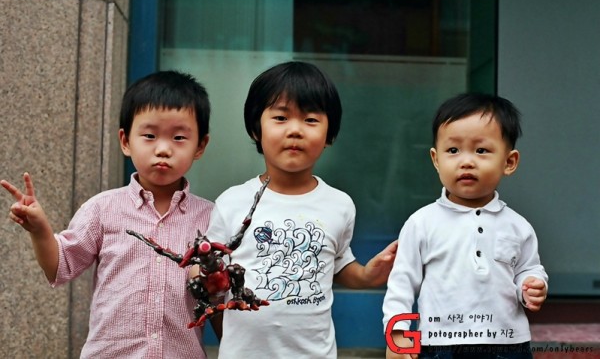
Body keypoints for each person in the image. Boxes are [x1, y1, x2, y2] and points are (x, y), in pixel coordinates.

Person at [1, 71, 214, 358]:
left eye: (178, 137)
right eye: (149, 136)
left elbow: (221, 295)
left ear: (200, 146)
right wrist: (39, 230)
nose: (163, 149)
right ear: (125, 141)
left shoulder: (210, 218)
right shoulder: (103, 209)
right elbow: (60, 266)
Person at [201, 61, 398, 358]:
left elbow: (337, 264)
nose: (295, 130)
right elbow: (212, 283)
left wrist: (368, 275)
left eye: (310, 119)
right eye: (280, 117)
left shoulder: (340, 205)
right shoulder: (232, 202)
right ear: (256, 129)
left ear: (329, 134)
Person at [382, 93, 548, 359]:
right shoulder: (421, 222)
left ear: (509, 162)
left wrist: (532, 284)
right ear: (436, 160)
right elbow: (402, 282)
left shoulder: (518, 226)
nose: (466, 161)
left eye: (481, 150)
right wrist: (397, 333)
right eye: (453, 150)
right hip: (440, 344)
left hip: (507, 343)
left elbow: (528, 267)